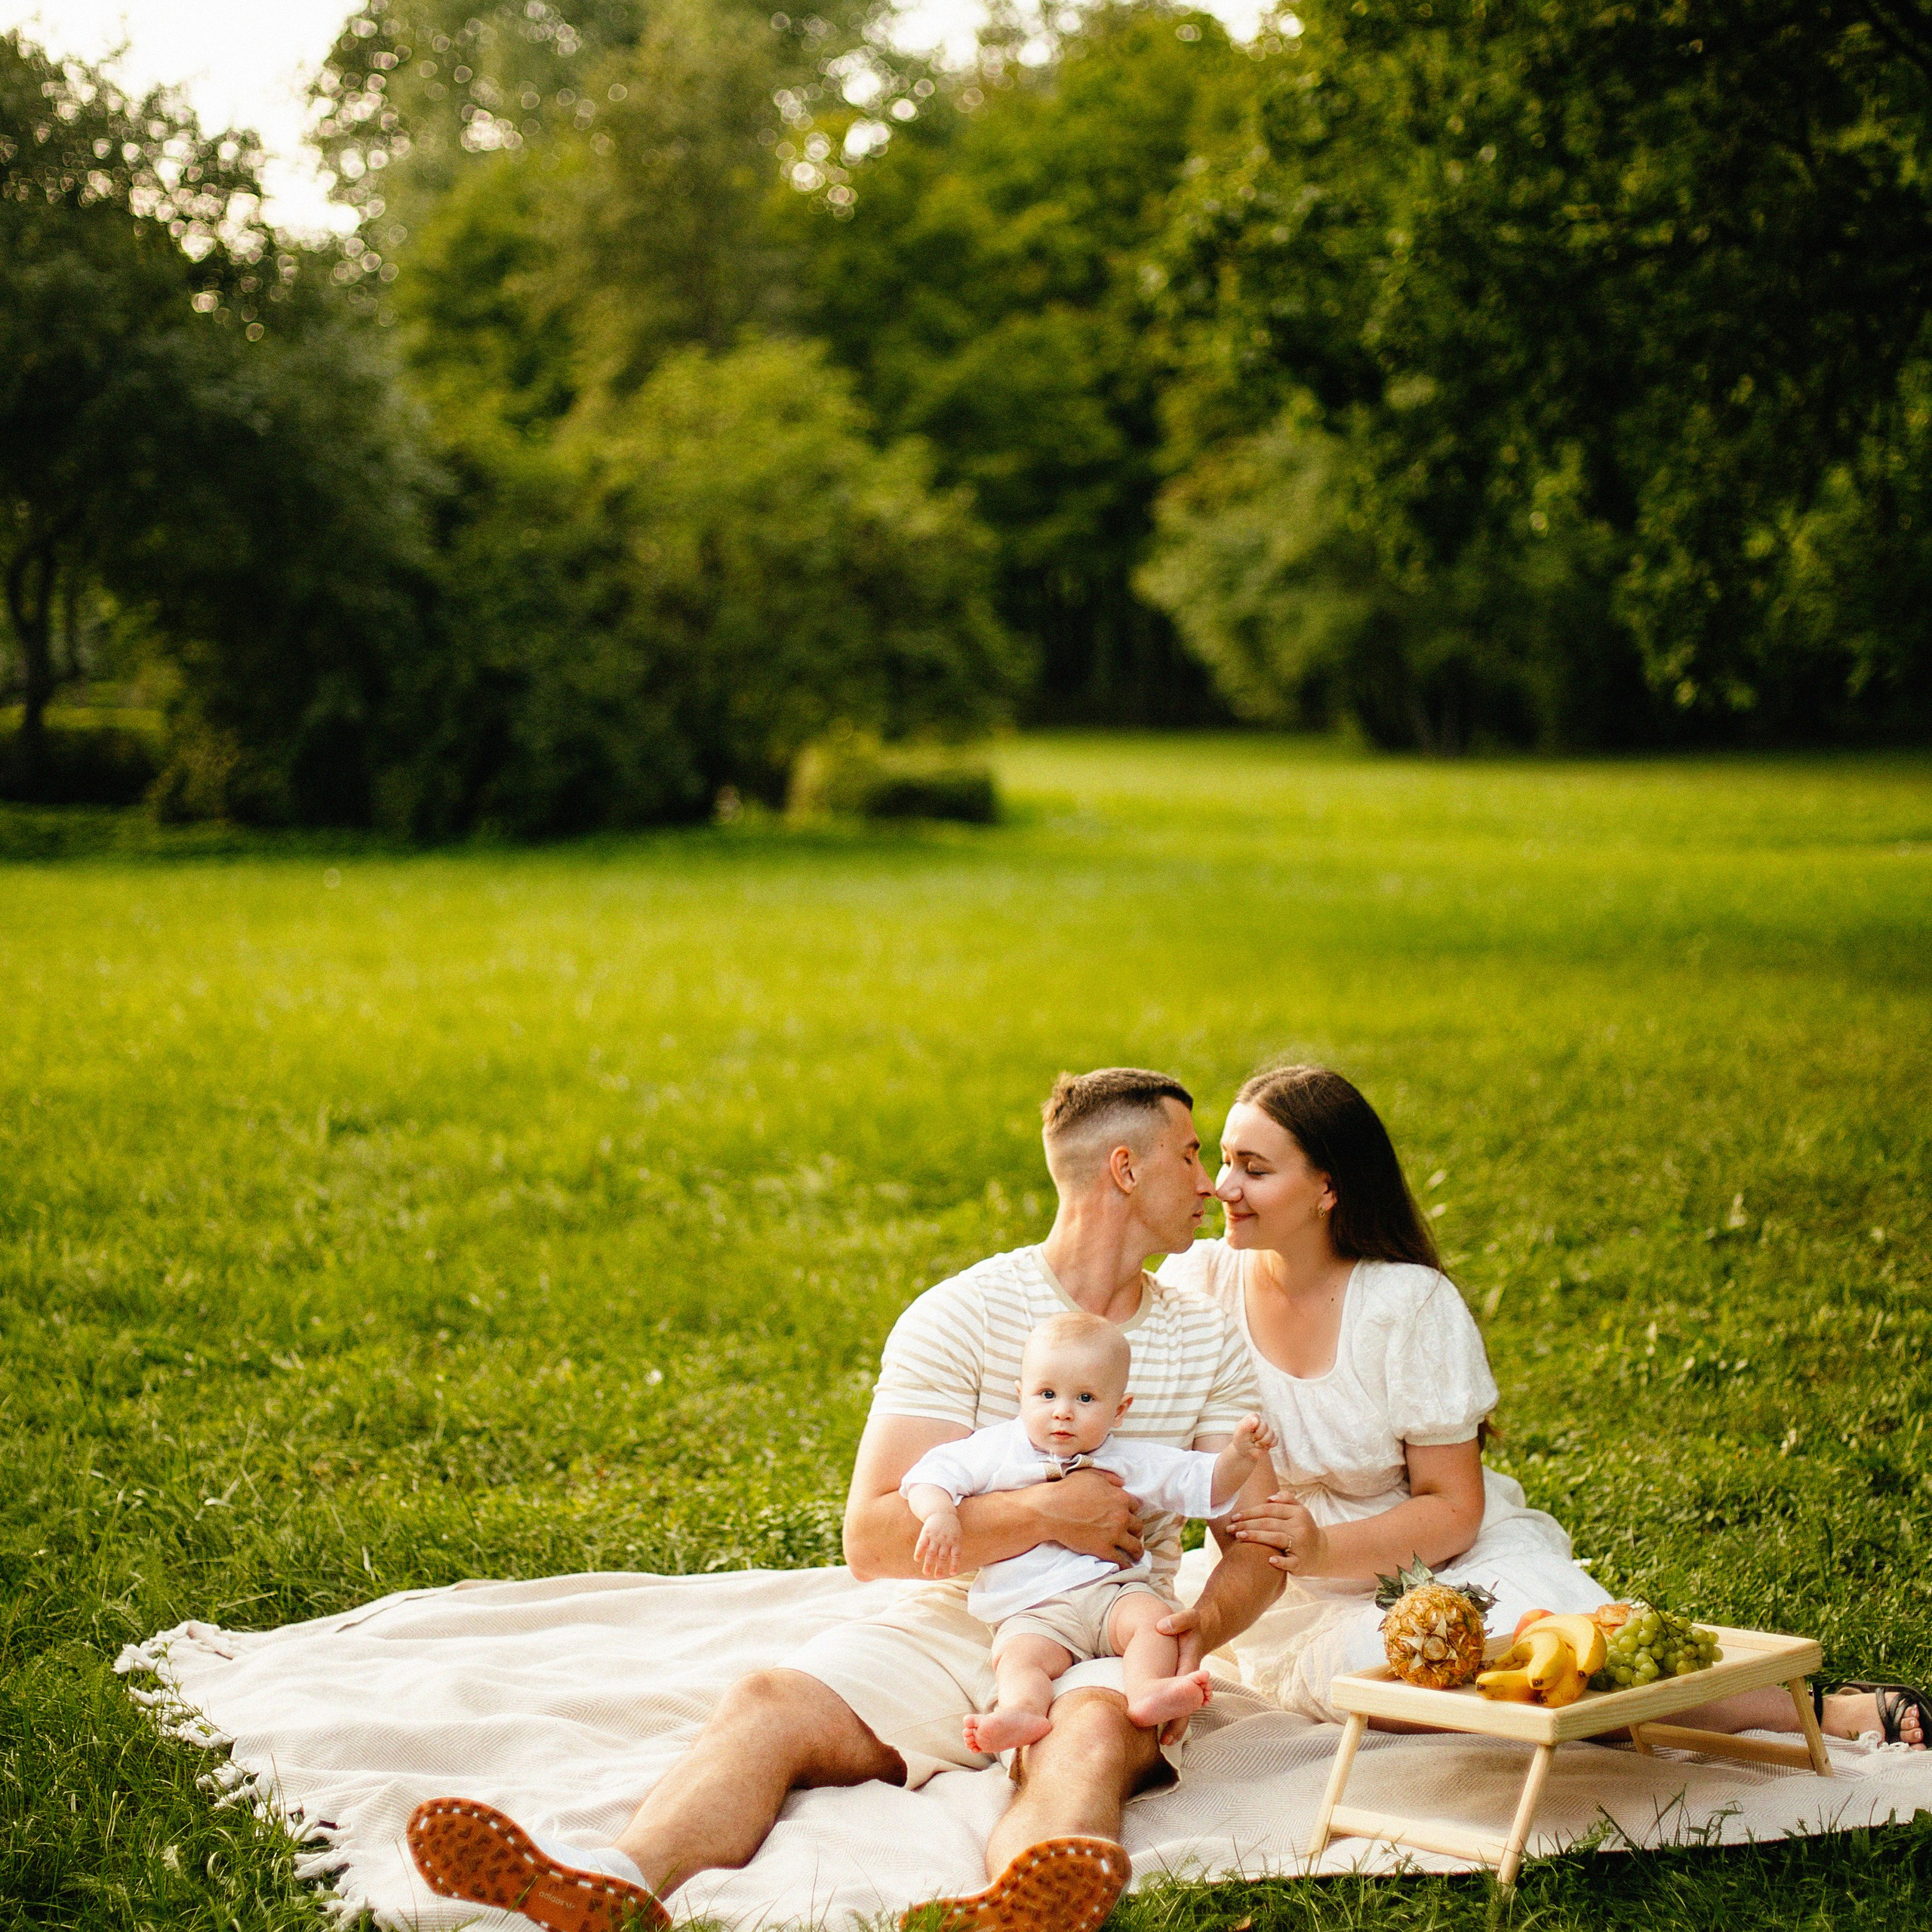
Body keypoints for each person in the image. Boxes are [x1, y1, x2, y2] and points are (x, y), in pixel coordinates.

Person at [405, 1068, 1288, 1932]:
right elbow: (872, 1538)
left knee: (1090, 1735)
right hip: (955, 1611)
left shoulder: (1205, 1337)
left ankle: (1020, 1911)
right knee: (768, 1701)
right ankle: (615, 1887)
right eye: (1189, 1154)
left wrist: (1188, 1634)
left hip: (1109, 1624)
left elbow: (1255, 1537)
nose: (1208, 1182)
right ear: (1124, 1170)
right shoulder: (962, 1313)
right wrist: (1048, 1513)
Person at [1157, 1063, 1928, 1752]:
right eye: (1224, 1160)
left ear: (1328, 1188)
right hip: (1289, 1597)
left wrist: (1324, 1545)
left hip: (1443, 1561)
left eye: (1252, 1169)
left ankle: (1814, 1714)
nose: (1222, 1186)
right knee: (1409, 1685)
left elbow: (1454, 1508)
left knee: (1552, 1649)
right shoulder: (1201, 1280)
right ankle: (1620, 1722)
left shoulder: (1406, 1304)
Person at [903, 1309, 1278, 1746]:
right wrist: (940, 1514)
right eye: (1047, 1395)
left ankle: (1147, 1691)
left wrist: (1239, 1456)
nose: (1063, 1413)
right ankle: (1021, 1713)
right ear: (1021, 1396)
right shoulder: (996, 1450)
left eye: (1085, 1399)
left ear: (1119, 1410)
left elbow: (1201, 1484)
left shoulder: (1127, 1458)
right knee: (1019, 1658)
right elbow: (929, 1475)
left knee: (1154, 1624)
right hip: (1033, 1608)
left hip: (1112, 1595)